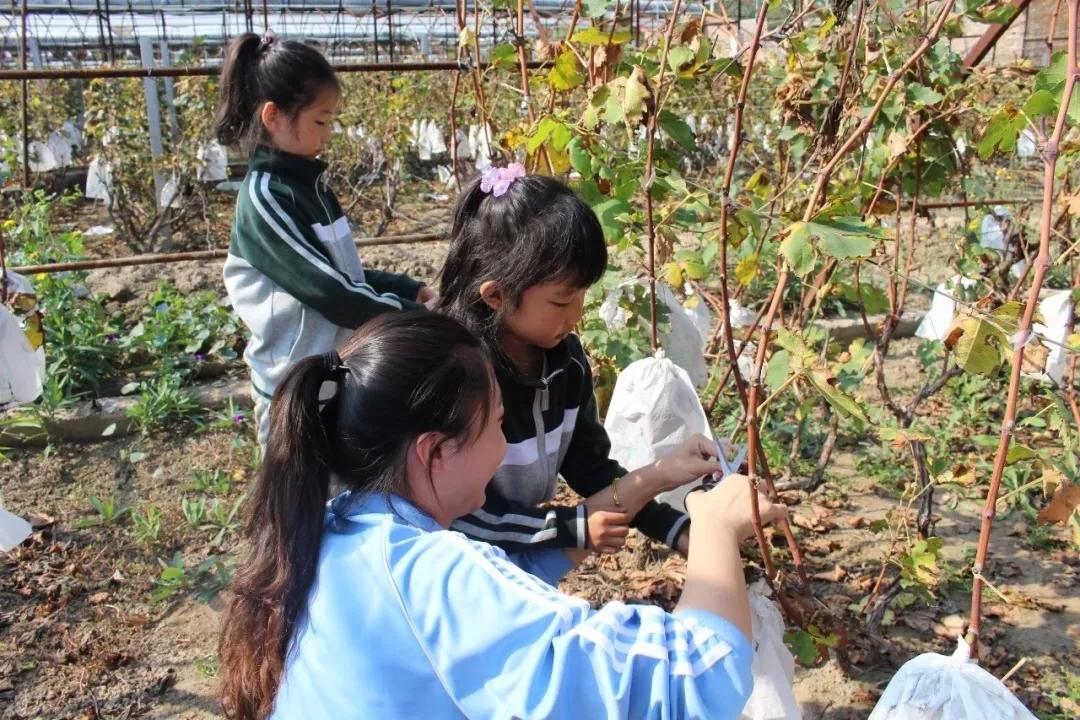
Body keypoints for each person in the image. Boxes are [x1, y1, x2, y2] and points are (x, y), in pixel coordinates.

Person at [218, 311, 787, 719]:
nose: (504, 440)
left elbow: (500, 575)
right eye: (496, 423)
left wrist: (648, 483)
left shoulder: (335, 529)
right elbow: (691, 682)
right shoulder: (433, 574)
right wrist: (712, 526)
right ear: (435, 451)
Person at [437, 166, 709, 557]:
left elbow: (589, 466)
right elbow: (460, 516)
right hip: (451, 562)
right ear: (496, 296)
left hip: (509, 549)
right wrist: (571, 527)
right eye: (562, 301)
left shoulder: (566, 364)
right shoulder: (454, 378)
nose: (577, 314)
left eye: (583, 294)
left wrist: (675, 529)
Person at [215, 31, 434, 444]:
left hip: (331, 373)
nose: (328, 133)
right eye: (321, 120)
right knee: (300, 500)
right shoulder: (267, 198)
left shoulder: (310, 187)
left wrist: (410, 289)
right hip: (295, 389)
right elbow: (328, 290)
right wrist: (417, 319)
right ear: (273, 116)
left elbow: (343, 272)